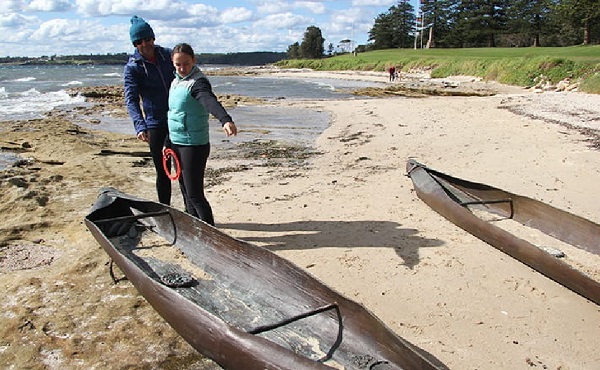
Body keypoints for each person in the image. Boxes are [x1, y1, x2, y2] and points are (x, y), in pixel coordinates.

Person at [165, 43, 237, 226]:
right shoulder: (175, 81)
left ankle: (212, 235)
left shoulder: (198, 83)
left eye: (186, 64)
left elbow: (209, 101)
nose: (182, 68)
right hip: (176, 143)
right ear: (173, 64)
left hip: (194, 145)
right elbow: (173, 114)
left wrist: (225, 119)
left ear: (194, 61)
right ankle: (194, 228)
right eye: (178, 65)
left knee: (195, 194)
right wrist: (167, 142)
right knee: (184, 190)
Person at [123, 15, 175, 205]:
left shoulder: (168, 55)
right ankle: (165, 209)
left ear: (153, 38)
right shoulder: (133, 67)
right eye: (139, 41)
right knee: (162, 171)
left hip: (178, 119)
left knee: (183, 167)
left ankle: (191, 212)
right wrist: (139, 125)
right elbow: (131, 99)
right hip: (155, 123)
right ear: (135, 44)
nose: (144, 44)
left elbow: (188, 75)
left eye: (147, 39)